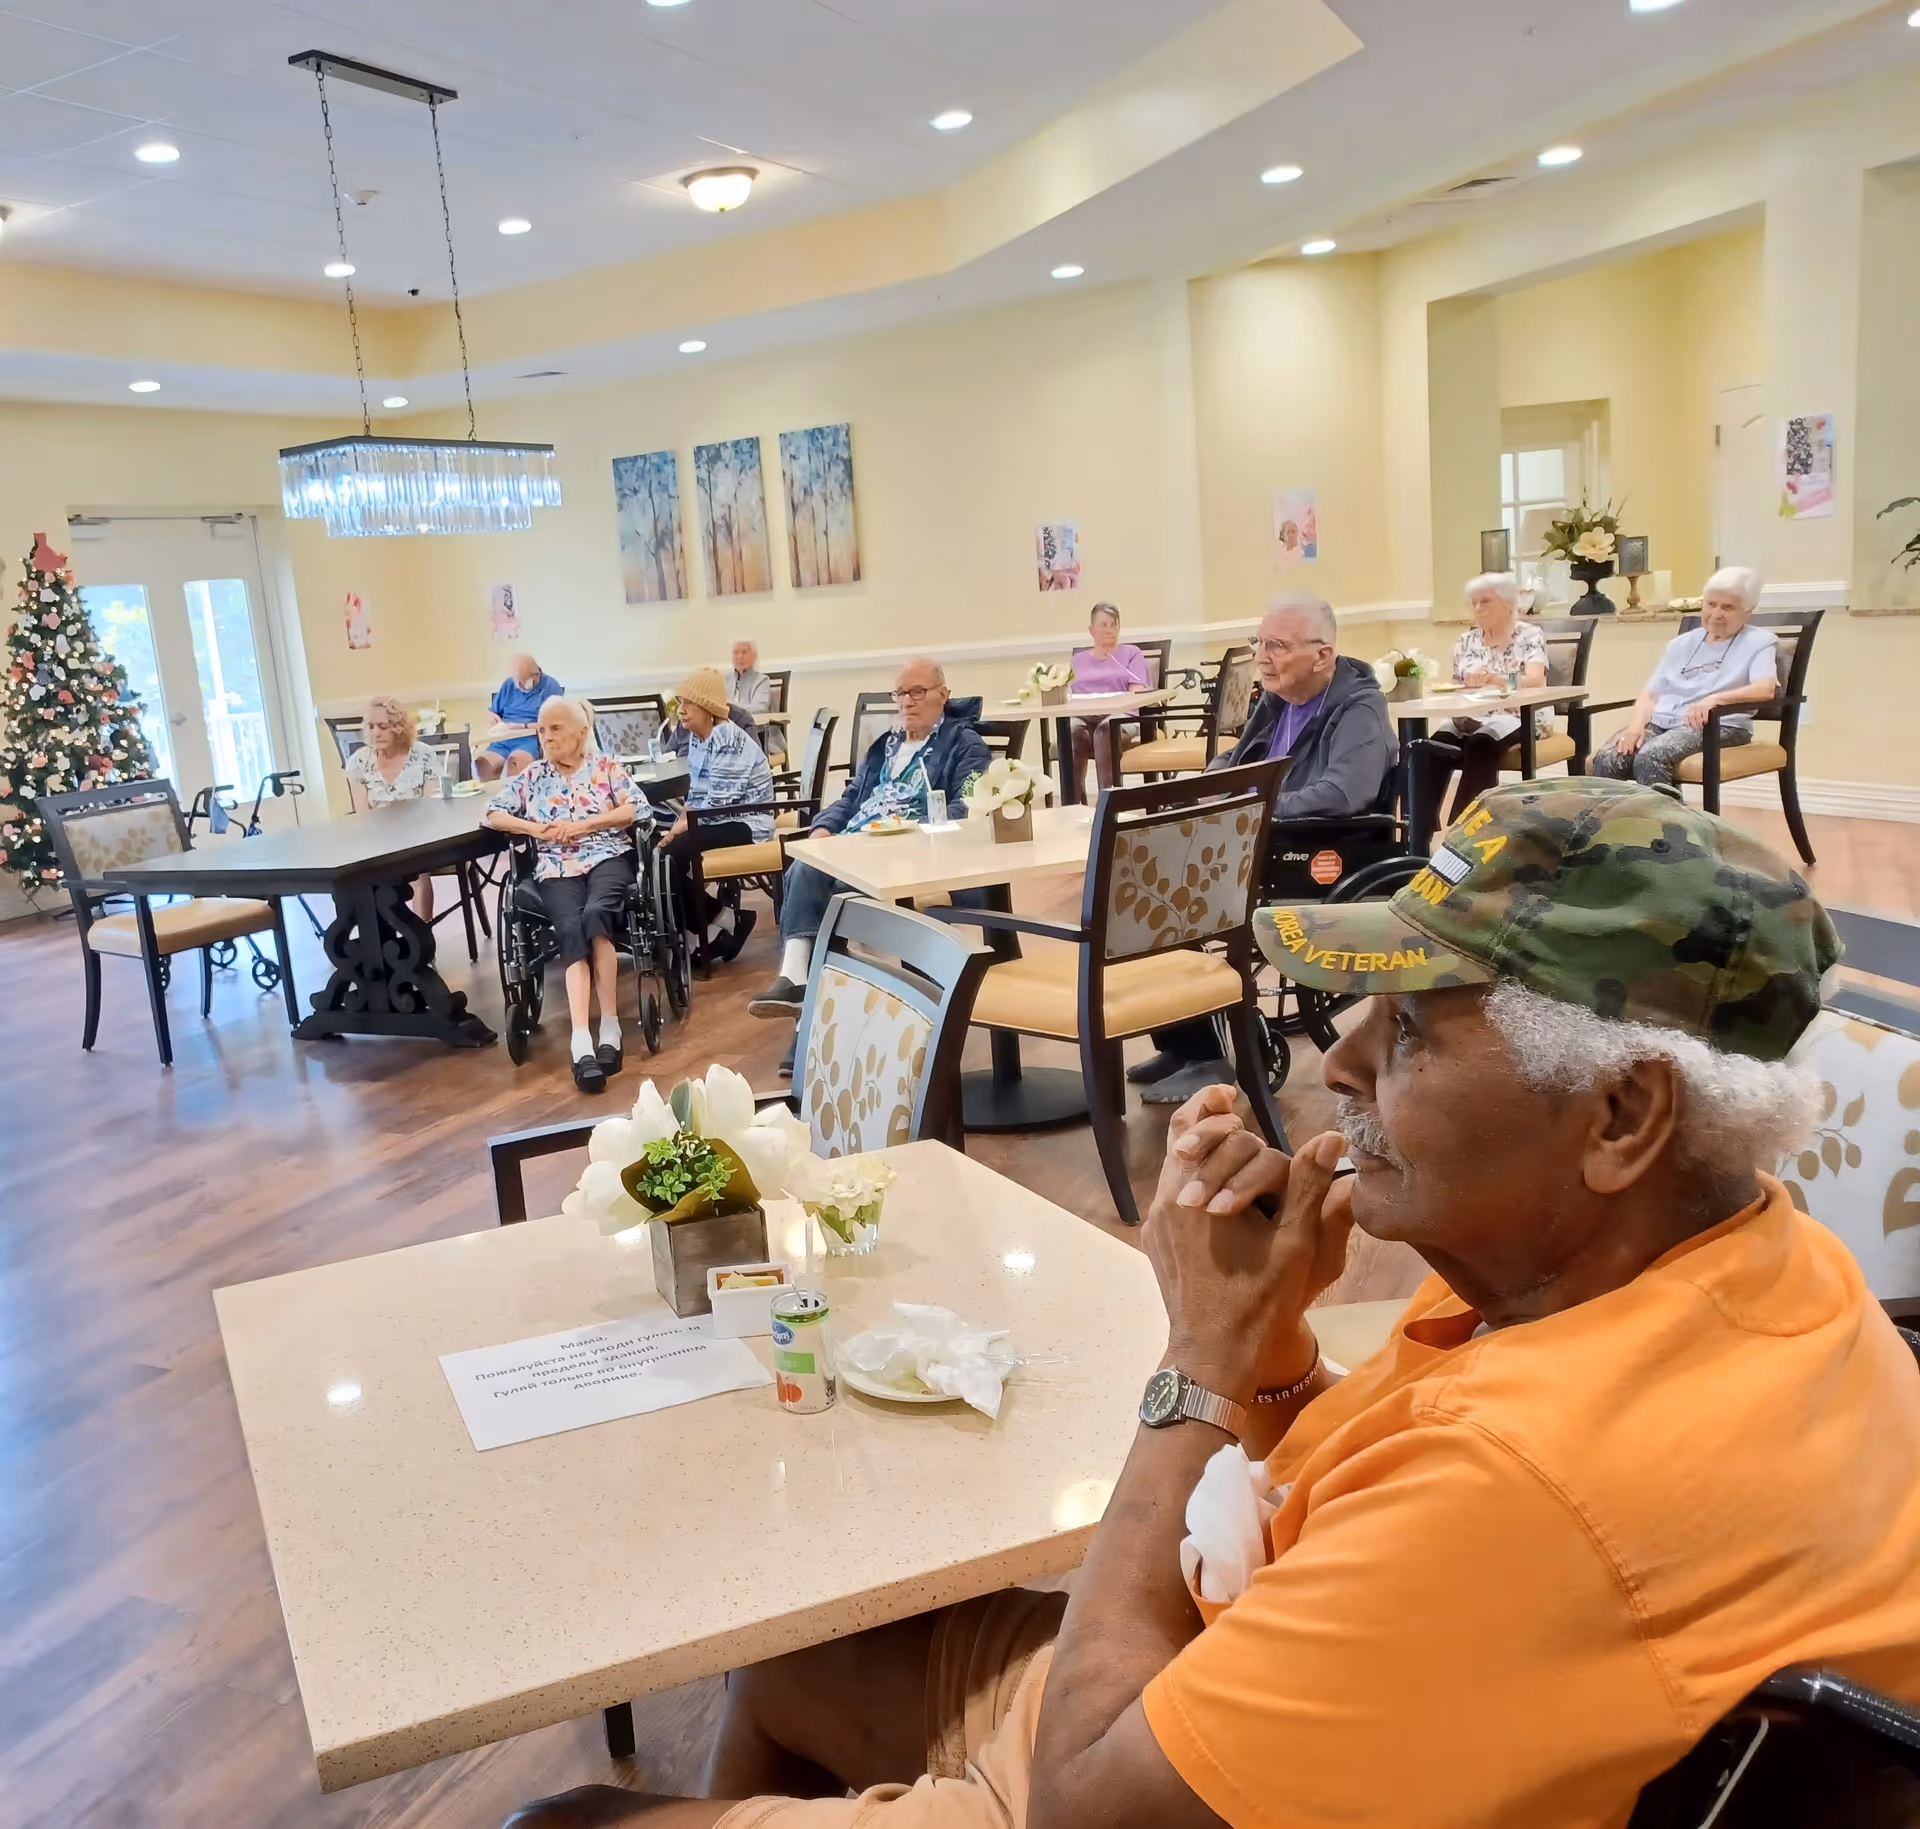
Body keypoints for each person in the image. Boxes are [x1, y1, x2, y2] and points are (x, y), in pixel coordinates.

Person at [503, 778, 1920, 1829]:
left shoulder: (1535, 1479)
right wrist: (1281, 1352)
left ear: (1623, 1111)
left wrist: (1198, 1362)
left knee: (559, 1823)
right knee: (800, 1658)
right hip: (1300, 1714)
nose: (1344, 1063)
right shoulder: (1747, 1269)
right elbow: (1373, 1519)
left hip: (1138, 1785)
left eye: (1413, 1026)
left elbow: (1087, 1801)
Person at [1135, 593, 1396, 1105]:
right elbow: (1237, 757)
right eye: (1260, 643)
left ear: (1322, 655)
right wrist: (1209, 784)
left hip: (1314, 851)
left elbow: (1345, 794)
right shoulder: (1278, 700)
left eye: (1276, 645)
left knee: (1168, 895)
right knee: (1140, 879)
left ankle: (1210, 1057)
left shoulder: (1360, 706)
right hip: (1258, 839)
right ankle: (1186, 1042)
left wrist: (1255, 809)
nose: (1262, 656)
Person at [748, 658, 991, 1021]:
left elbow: (967, 808)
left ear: (944, 695)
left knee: (829, 897)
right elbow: (850, 798)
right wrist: (823, 827)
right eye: (901, 693)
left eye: (918, 692)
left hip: (911, 856)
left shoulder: (964, 744)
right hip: (859, 845)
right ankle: (795, 978)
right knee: (806, 866)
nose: (907, 701)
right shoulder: (885, 746)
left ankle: (810, 1021)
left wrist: (908, 829)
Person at [483, 697, 638, 1094]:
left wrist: (586, 824)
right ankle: (582, 1042)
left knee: (596, 916)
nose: (546, 737)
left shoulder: (606, 768)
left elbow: (633, 809)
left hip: (606, 857)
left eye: (555, 729)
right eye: (542, 729)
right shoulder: (533, 776)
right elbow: (493, 812)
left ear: (581, 732)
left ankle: (610, 1026)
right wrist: (536, 830)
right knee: (569, 927)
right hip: (556, 867)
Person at [1590, 566, 1778, 788]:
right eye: (1711, 604)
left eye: (1728, 607)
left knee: (1652, 756)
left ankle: (1668, 822)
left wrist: (1714, 700)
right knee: (1608, 757)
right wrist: (1635, 727)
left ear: (1749, 610)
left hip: (1719, 726)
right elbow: (1651, 694)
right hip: (1662, 722)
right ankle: (1612, 822)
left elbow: (1765, 689)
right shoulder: (1681, 644)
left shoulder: (1759, 642)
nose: (1716, 613)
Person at [1413, 571, 1550, 844]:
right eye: (1474, 603)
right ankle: (1418, 835)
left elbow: (1536, 680)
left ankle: (1466, 834)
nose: (1477, 609)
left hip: (1519, 714)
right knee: (1432, 747)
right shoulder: (1466, 641)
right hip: (1471, 714)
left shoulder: (1529, 635)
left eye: (1485, 602)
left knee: (1481, 744)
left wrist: (1493, 679)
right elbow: (1456, 685)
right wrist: (1467, 685)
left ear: (1508, 604)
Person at [660, 666, 775, 967]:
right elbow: (696, 797)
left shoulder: (728, 738)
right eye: (680, 702)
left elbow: (717, 804)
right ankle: (722, 923)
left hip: (747, 823)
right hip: (718, 818)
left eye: (688, 703)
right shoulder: (699, 738)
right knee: (662, 857)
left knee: (669, 858)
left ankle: (719, 925)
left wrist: (678, 831)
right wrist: (676, 826)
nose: (680, 710)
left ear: (708, 708)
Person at [343, 694, 440, 921]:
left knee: (418, 873)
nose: (376, 733)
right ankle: (380, 945)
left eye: (383, 727)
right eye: (371, 727)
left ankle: (423, 942)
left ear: (398, 728)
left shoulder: (423, 755)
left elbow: (431, 806)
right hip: (377, 839)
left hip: (418, 837)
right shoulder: (358, 762)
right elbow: (362, 815)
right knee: (356, 878)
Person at [1068, 602, 1153, 789]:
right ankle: (1073, 806)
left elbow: (1137, 691)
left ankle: (1107, 805)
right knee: (1072, 733)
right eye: (1104, 625)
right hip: (1084, 716)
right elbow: (1068, 694)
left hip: (1122, 717)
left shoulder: (1132, 654)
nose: (1110, 630)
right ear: (1092, 630)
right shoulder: (1078, 660)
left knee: (1104, 731)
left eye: (1114, 625)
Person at [476, 653, 566, 781]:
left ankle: (516, 798)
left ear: (536, 674)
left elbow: (554, 723)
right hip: (503, 738)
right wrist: (493, 717)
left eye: (522, 682)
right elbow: (493, 711)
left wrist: (521, 726)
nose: (518, 686)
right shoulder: (508, 685)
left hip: (529, 739)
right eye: (516, 682)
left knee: (515, 765)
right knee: (482, 766)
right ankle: (496, 799)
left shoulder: (551, 687)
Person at [726, 638, 786, 765]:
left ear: (754, 656)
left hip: (760, 736)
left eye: (744, 652)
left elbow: (760, 707)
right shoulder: (725, 680)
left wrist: (730, 708)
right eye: (736, 652)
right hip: (729, 735)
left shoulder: (762, 680)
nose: (739, 656)